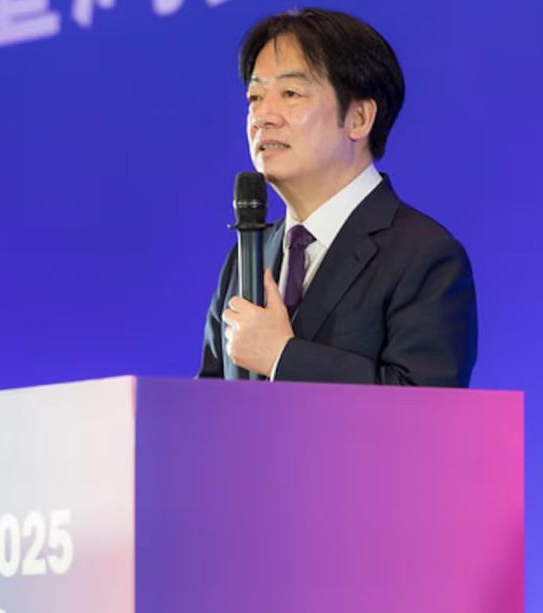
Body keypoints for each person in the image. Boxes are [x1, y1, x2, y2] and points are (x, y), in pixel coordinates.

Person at [198, 8, 477, 387]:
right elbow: (209, 401)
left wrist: (282, 357)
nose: (263, 116)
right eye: (255, 96)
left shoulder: (425, 256)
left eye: (290, 93)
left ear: (359, 118)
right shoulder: (247, 257)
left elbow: (425, 406)